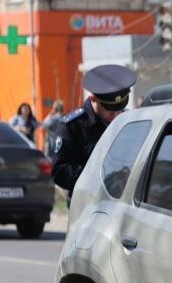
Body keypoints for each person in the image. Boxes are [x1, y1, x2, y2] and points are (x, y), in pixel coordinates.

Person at [52, 64, 136, 195]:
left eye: (119, 109)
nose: (115, 115)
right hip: (88, 201)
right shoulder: (72, 126)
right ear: (93, 99)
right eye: (110, 110)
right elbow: (59, 171)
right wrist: (98, 178)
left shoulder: (129, 120)